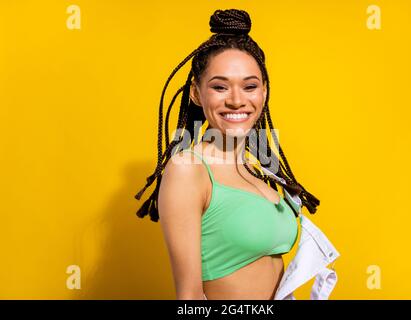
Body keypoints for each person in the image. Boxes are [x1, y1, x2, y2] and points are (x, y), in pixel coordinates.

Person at [134, 8, 320, 300]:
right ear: (196, 93)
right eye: (220, 87)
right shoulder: (188, 169)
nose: (236, 100)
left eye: (250, 86)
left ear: (264, 93)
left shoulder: (259, 169)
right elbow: (190, 297)